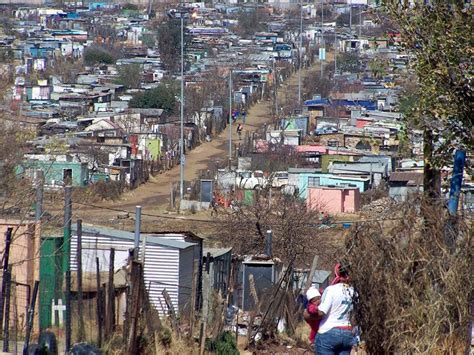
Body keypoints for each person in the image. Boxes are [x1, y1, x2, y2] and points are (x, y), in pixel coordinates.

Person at [314, 263, 355, 355]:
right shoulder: (354, 292)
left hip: (329, 331)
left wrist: (309, 313)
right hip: (347, 332)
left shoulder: (331, 290)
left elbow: (321, 312)